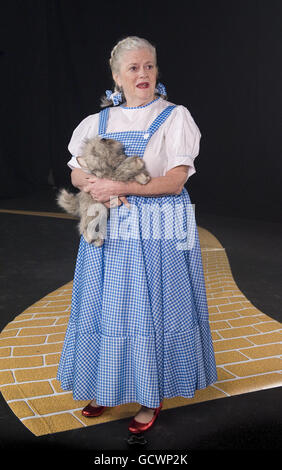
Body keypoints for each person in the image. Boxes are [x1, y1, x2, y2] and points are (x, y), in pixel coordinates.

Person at [57, 36, 217, 434]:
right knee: (106, 304)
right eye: (133, 68)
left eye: (149, 66)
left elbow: (176, 181)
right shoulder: (99, 122)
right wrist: (95, 184)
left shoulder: (175, 117)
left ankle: (151, 393)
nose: (143, 74)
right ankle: (107, 384)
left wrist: (121, 188)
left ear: (157, 71)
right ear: (117, 77)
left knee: (152, 306)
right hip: (107, 222)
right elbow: (75, 170)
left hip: (159, 224)